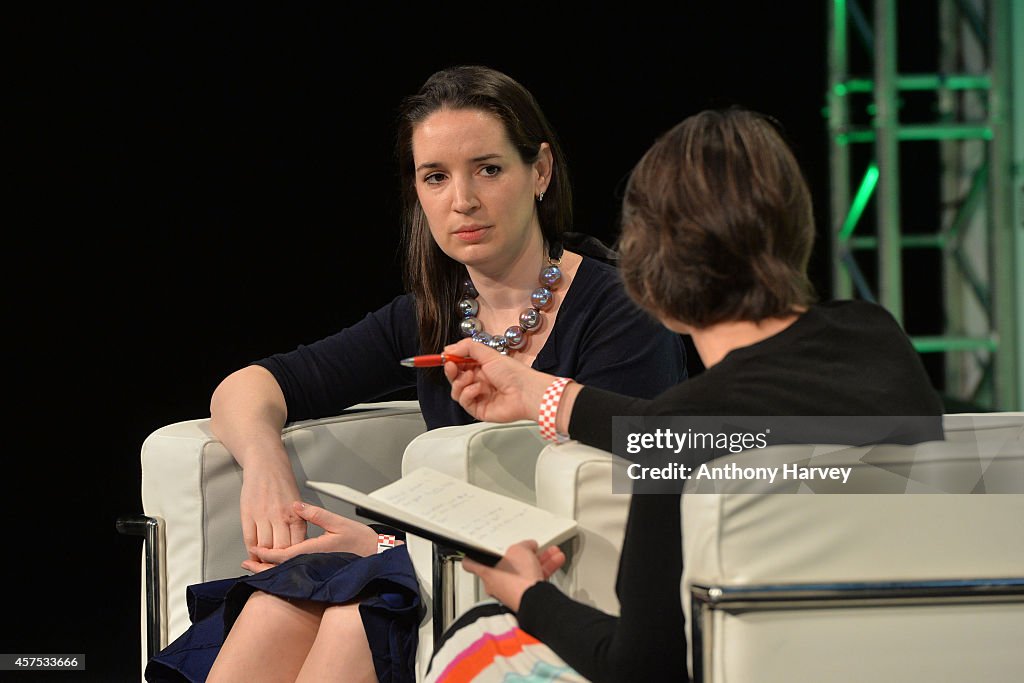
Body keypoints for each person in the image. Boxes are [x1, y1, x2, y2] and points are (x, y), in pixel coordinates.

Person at [144, 65, 687, 683]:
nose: (463, 200)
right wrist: (265, 468)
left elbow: (623, 495)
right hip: (431, 561)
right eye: (436, 177)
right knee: (275, 603)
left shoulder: (620, 309)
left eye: (488, 168)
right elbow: (248, 387)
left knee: (356, 615)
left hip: (559, 572)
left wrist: (383, 548)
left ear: (539, 171)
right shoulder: (429, 313)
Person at [425, 107, 945, 682]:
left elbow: (639, 667)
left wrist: (529, 595)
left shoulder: (682, 435)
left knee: (472, 636)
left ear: (650, 270)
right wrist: (546, 395)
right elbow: (728, 421)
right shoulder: (877, 340)